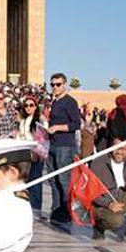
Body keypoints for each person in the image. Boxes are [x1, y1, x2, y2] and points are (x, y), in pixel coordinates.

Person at [91, 137, 126, 241]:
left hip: (119, 198)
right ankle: (99, 227)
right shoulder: (99, 163)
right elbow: (92, 192)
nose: (120, 152)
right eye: (117, 148)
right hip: (101, 204)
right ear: (111, 148)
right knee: (117, 220)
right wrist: (109, 204)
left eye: (124, 149)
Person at [45, 73, 81, 224]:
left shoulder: (70, 102)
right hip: (53, 144)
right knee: (53, 180)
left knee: (64, 180)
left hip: (65, 146)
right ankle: (56, 210)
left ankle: (66, 212)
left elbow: (76, 124)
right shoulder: (54, 102)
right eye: (52, 84)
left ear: (64, 84)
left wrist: (57, 127)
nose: (55, 87)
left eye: (58, 84)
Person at [16, 96, 48, 211]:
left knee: (36, 180)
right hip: (24, 154)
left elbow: (44, 136)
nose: (28, 108)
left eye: (31, 105)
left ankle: (36, 207)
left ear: (35, 107)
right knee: (26, 180)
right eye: (26, 105)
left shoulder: (40, 120)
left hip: (36, 154)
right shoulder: (22, 121)